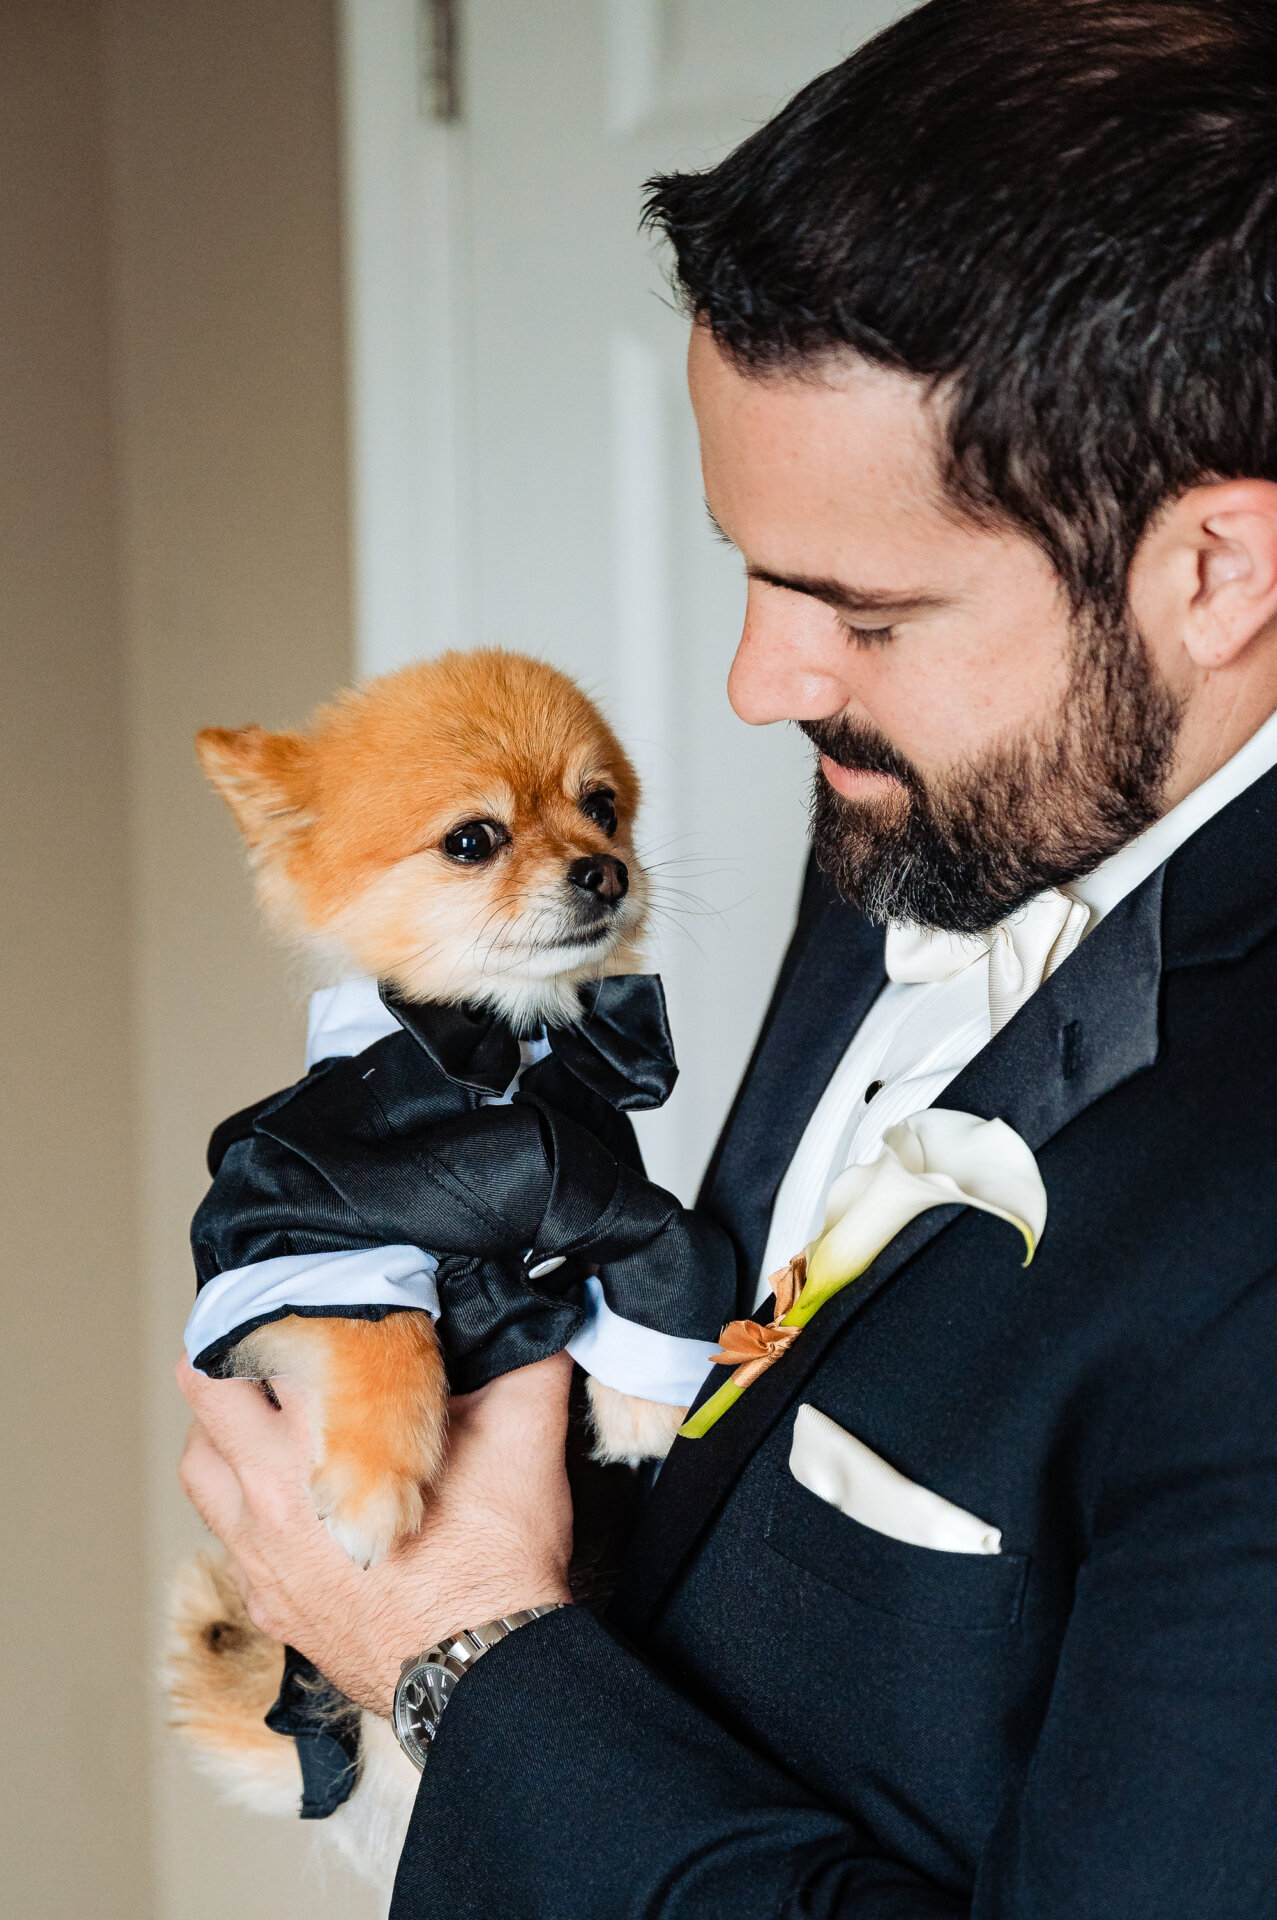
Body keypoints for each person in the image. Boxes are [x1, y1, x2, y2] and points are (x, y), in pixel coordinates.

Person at [177, 1, 1277, 1911]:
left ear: (1214, 570)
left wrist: (454, 1663)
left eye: (857, 605)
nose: (755, 687)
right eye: (746, 568)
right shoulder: (929, 790)